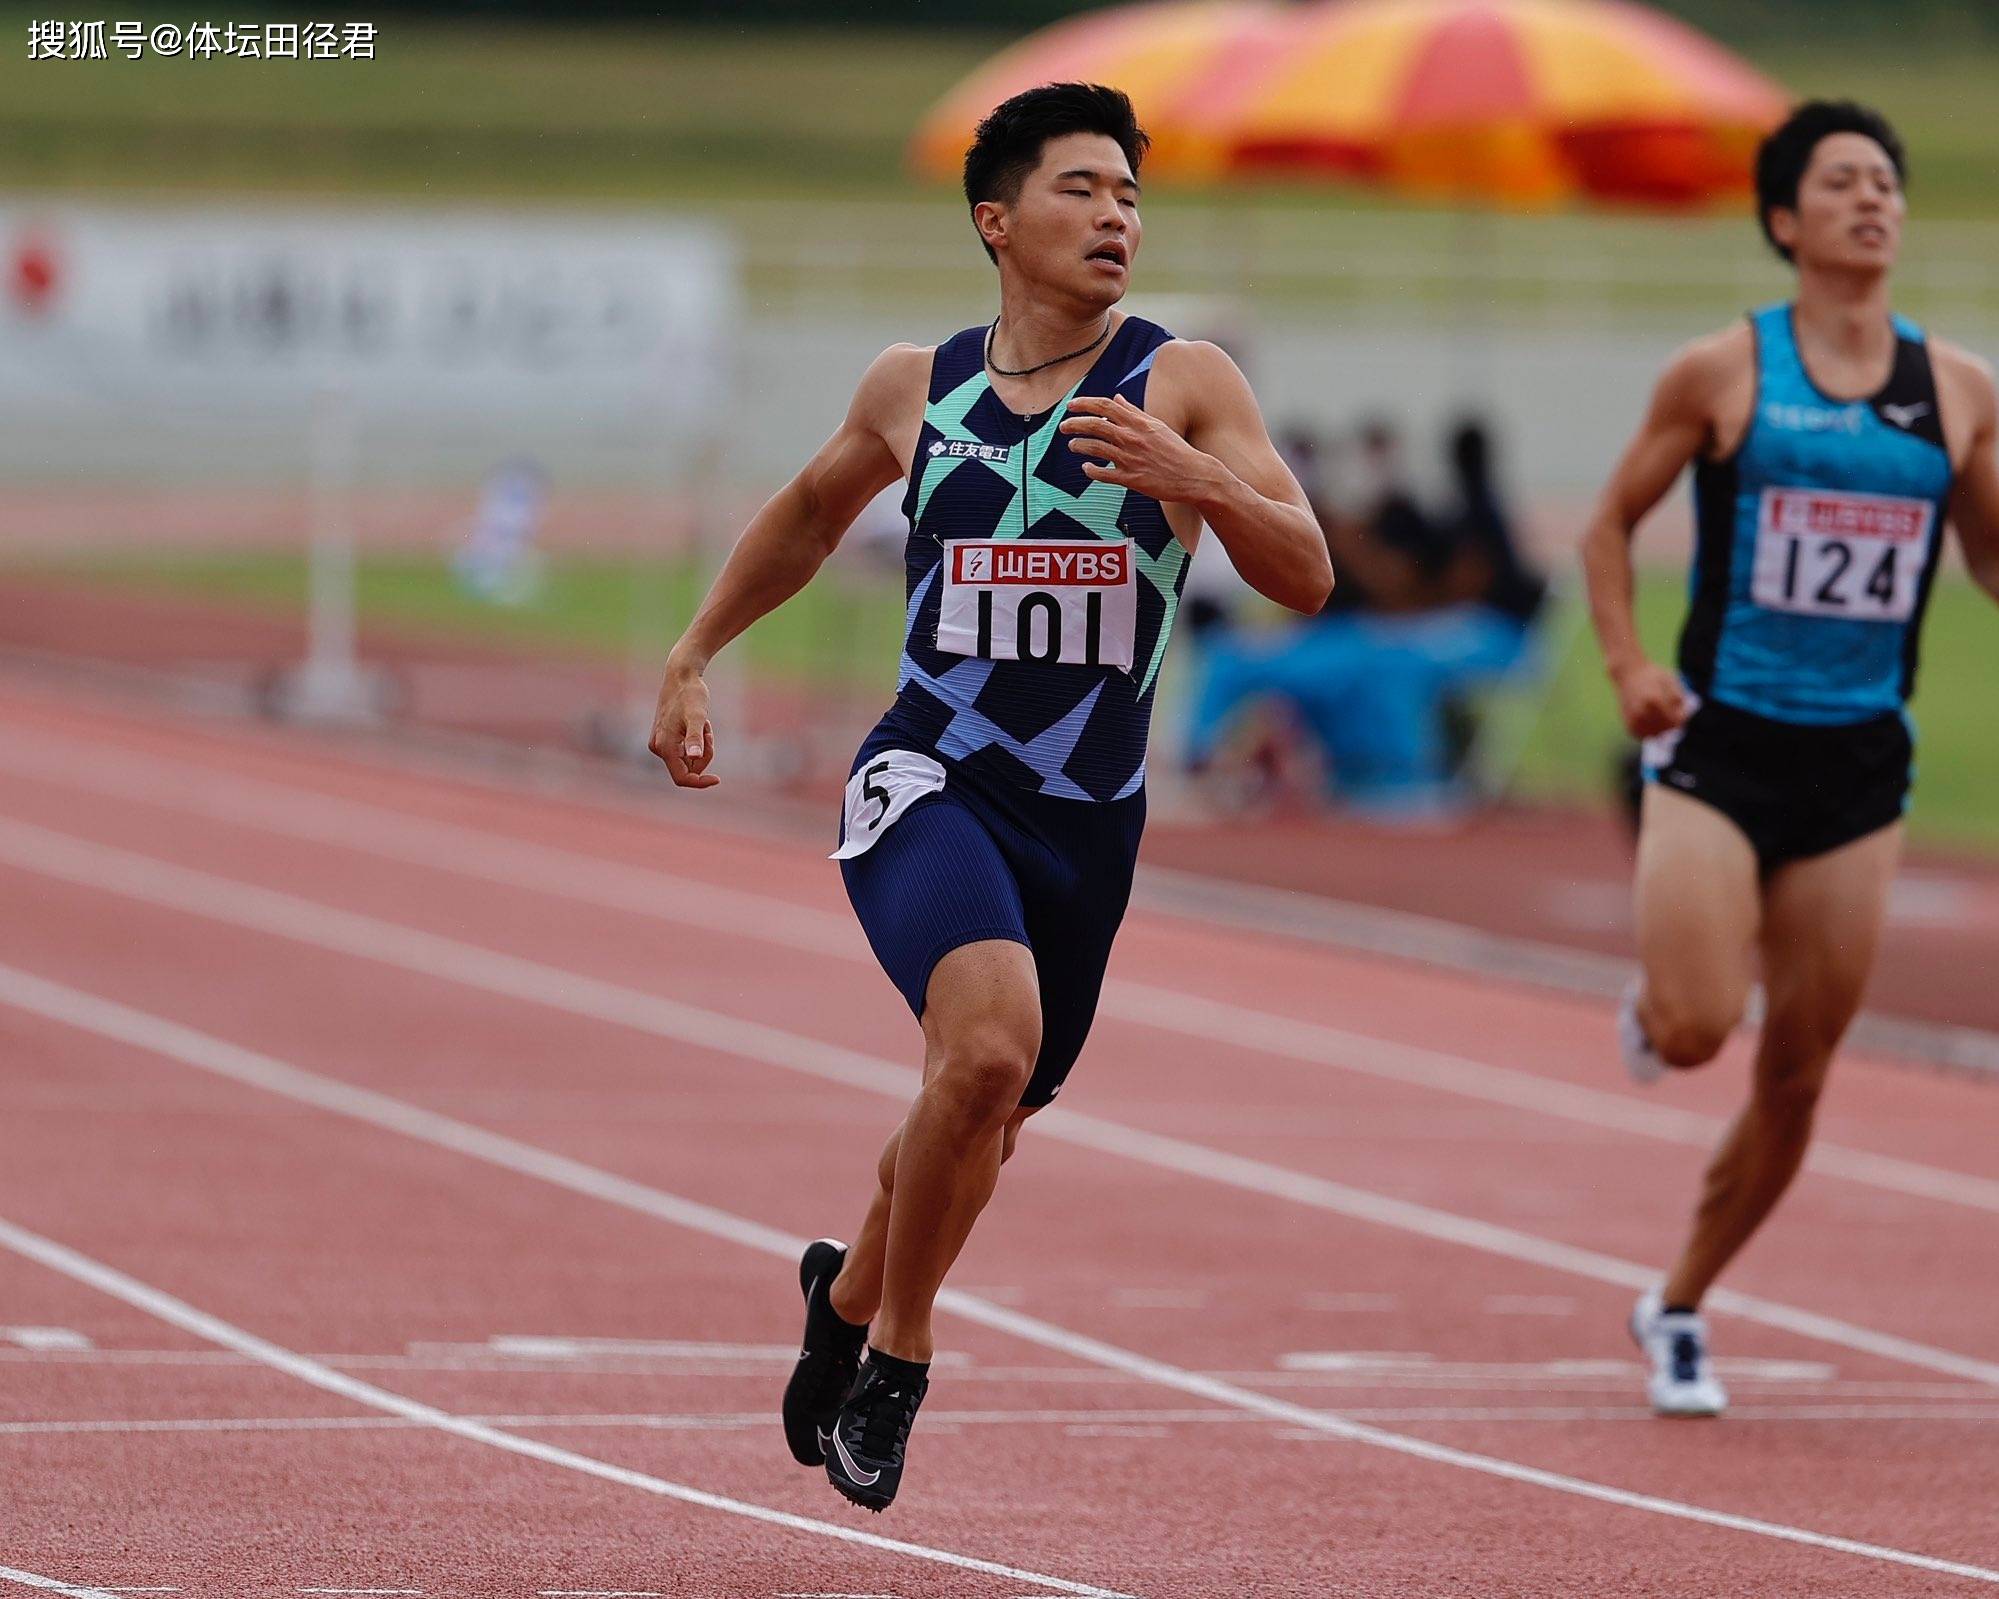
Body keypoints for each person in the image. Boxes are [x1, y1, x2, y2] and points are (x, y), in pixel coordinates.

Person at [647, 83, 1329, 1509]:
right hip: (929, 777)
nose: (1117, 218)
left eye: (1132, 197)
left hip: (1089, 820)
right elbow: (806, 512)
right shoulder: (919, 384)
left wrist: (1193, 474)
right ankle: (899, 1361)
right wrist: (696, 651)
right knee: (985, 1053)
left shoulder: (1182, 377)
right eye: (1083, 190)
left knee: (977, 1113)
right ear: (997, 221)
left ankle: (842, 1299)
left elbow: (1305, 572)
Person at [1580, 100, 1999, 1417]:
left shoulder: (1962, 390)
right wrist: (1631, 671)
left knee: (1801, 1067)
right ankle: (1655, 1006)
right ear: (1785, 220)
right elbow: (1606, 528)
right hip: (1720, 747)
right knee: (1701, 1029)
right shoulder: (1725, 372)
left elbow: (1991, 560)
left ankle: (1682, 1303)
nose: (1873, 199)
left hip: (1860, 767)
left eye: (1888, 180)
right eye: (1841, 181)